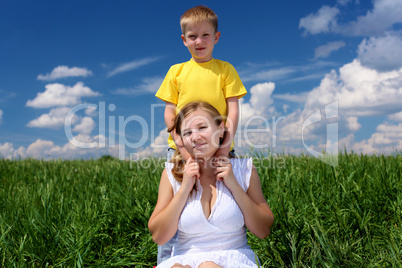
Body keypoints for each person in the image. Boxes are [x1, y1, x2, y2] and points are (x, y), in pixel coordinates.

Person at [148, 101, 274, 268]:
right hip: (183, 259)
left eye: (202, 127)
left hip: (233, 259)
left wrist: (234, 185)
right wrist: (184, 188)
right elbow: (159, 236)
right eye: (187, 132)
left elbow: (263, 230)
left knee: (208, 266)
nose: (195, 137)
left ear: (220, 129)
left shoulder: (244, 170)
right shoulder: (172, 174)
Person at [155, 5, 247, 161]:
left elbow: (233, 112)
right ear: (184, 40)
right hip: (182, 148)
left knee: (225, 184)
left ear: (216, 37)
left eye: (205, 34)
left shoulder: (226, 69)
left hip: (218, 147)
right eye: (192, 36)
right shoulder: (175, 71)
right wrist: (181, 145)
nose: (199, 41)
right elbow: (169, 113)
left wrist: (224, 148)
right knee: (181, 185)